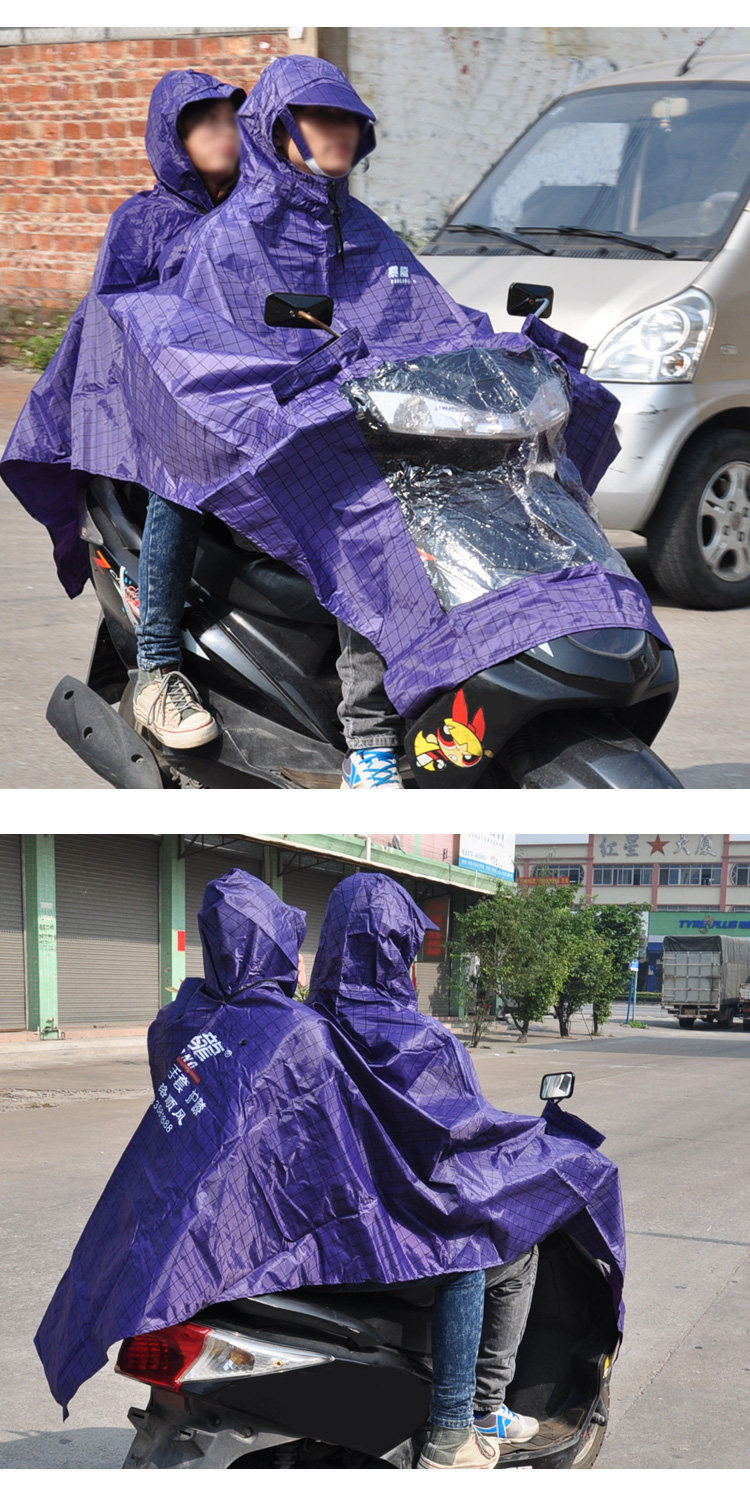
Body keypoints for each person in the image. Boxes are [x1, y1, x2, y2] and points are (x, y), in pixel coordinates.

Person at [35, 870, 498, 1469]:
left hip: (195, 1227)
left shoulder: (178, 1019)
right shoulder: (306, 1030)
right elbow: (345, 1157)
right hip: (291, 1225)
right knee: (470, 1256)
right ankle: (459, 1423)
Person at [309, 872, 627, 1460]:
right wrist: (542, 1140)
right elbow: (467, 1141)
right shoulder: (423, 1043)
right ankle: (471, 1418)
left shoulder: (297, 1031)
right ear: (398, 949)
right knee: (501, 1253)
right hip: (395, 1247)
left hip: (314, 1241)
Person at [0, 69, 246, 746]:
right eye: (205, 123)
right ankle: (157, 670)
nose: (224, 133)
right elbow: (114, 330)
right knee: (183, 479)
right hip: (166, 415)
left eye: (231, 119)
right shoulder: (144, 222)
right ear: (174, 139)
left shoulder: (257, 214)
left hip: (257, 404)